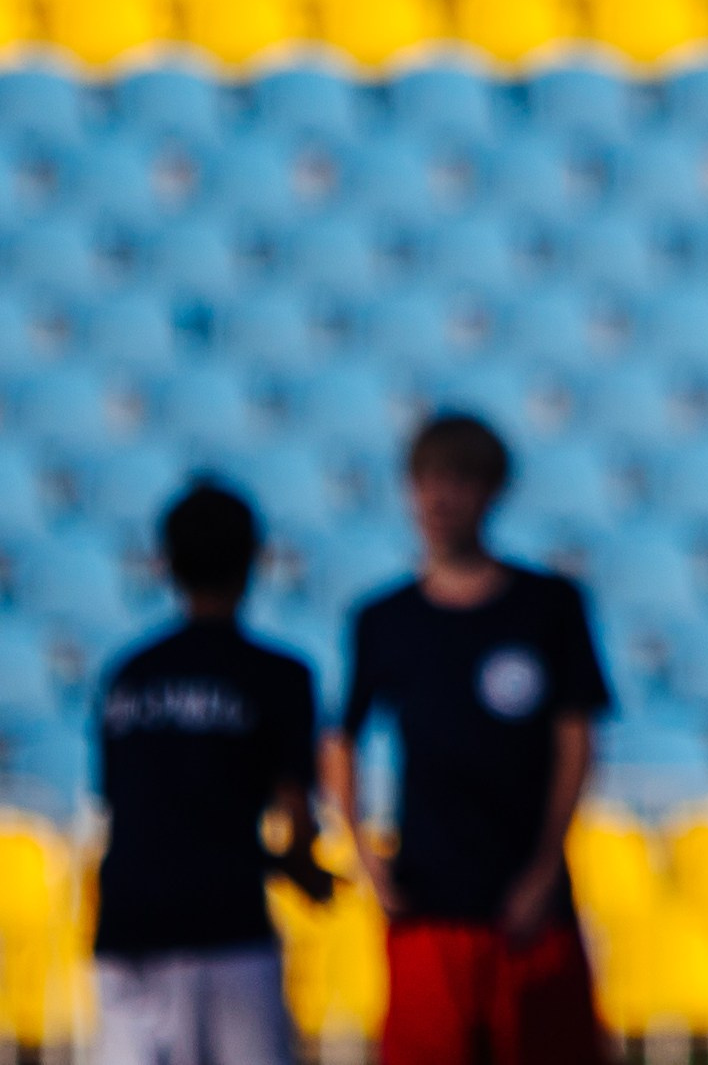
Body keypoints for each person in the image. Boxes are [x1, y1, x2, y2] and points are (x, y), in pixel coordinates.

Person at [325, 412, 612, 1065]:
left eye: (458, 480)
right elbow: (341, 737)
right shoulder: (385, 618)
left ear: (491, 490)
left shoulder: (547, 606)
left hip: (528, 907)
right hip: (428, 905)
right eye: (426, 481)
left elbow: (576, 737)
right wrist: (363, 851)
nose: (439, 498)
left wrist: (544, 866)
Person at [91, 480, 331, 1065]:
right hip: (225, 927)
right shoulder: (277, 675)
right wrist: (302, 869)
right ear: (254, 561)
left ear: (166, 564)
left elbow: (121, 799)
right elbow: (296, 808)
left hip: (126, 925)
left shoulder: (129, 673)